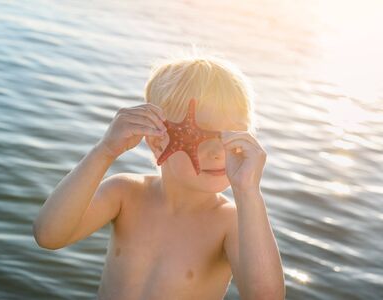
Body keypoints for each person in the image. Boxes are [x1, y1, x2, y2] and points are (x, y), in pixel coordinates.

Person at [33, 49, 285, 300]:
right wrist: (104, 151)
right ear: (156, 142)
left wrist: (248, 192)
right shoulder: (125, 193)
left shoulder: (231, 223)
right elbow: (49, 236)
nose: (219, 152)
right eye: (199, 135)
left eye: (231, 136)